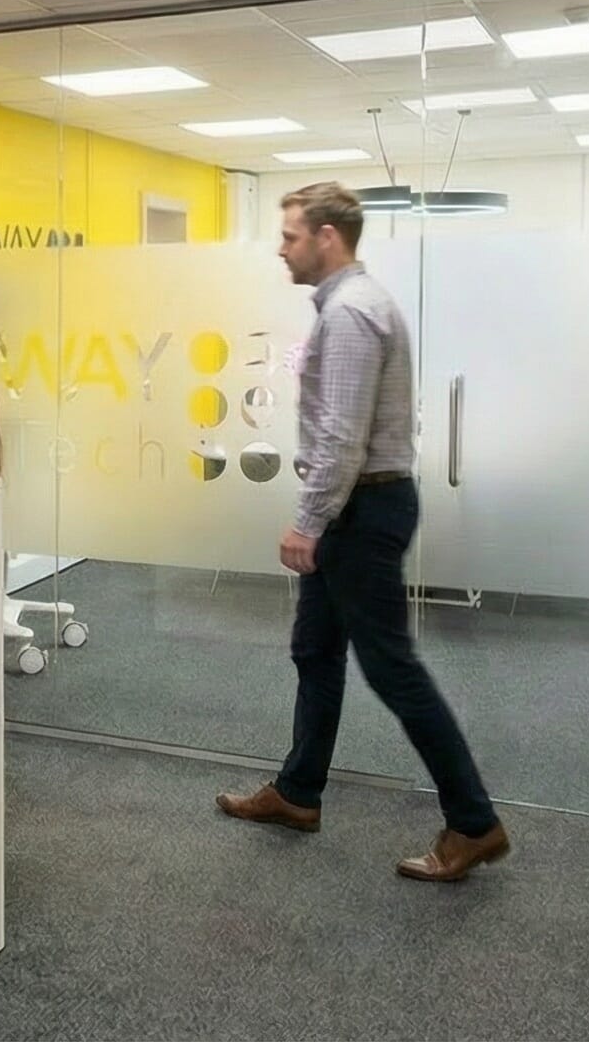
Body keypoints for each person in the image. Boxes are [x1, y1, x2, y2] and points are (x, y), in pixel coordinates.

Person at [215, 181, 509, 882]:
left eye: (290, 236)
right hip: (363, 503)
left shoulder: (350, 313)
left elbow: (343, 439)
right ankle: (297, 792)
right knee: (315, 648)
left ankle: (474, 823)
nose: (281, 249)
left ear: (327, 237)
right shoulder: (353, 304)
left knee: (391, 667)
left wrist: (307, 522)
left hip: (361, 510)